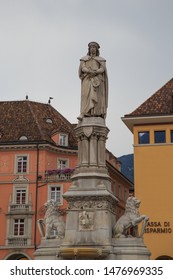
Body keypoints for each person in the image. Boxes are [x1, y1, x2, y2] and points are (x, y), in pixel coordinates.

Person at [78, 42, 108, 120]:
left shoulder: (101, 60)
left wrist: (96, 72)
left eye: (94, 47)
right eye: (91, 47)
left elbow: (102, 69)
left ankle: (96, 113)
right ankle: (84, 113)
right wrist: (89, 71)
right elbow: (82, 68)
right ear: (89, 49)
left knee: (97, 97)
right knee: (86, 96)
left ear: (97, 49)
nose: (93, 49)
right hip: (87, 79)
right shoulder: (84, 59)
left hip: (97, 80)